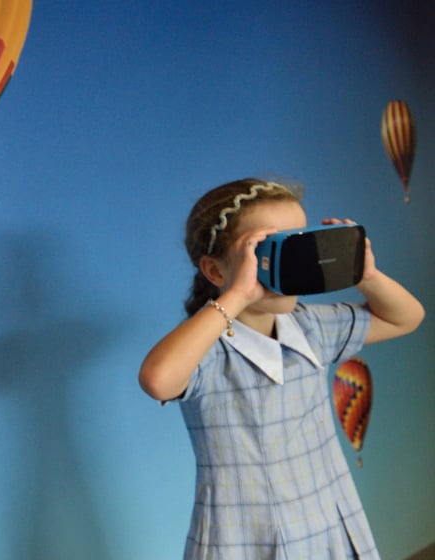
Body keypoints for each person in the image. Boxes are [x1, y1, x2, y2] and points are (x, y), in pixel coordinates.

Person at [138, 178, 424, 559]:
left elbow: (406, 318)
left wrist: (365, 275)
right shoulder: (207, 350)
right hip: (245, 538)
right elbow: (157, 380)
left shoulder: (311, 327)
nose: (289, 265)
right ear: (215, 270)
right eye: (266, 249)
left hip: (327, 522)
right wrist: (238, 294)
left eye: (297, 245)